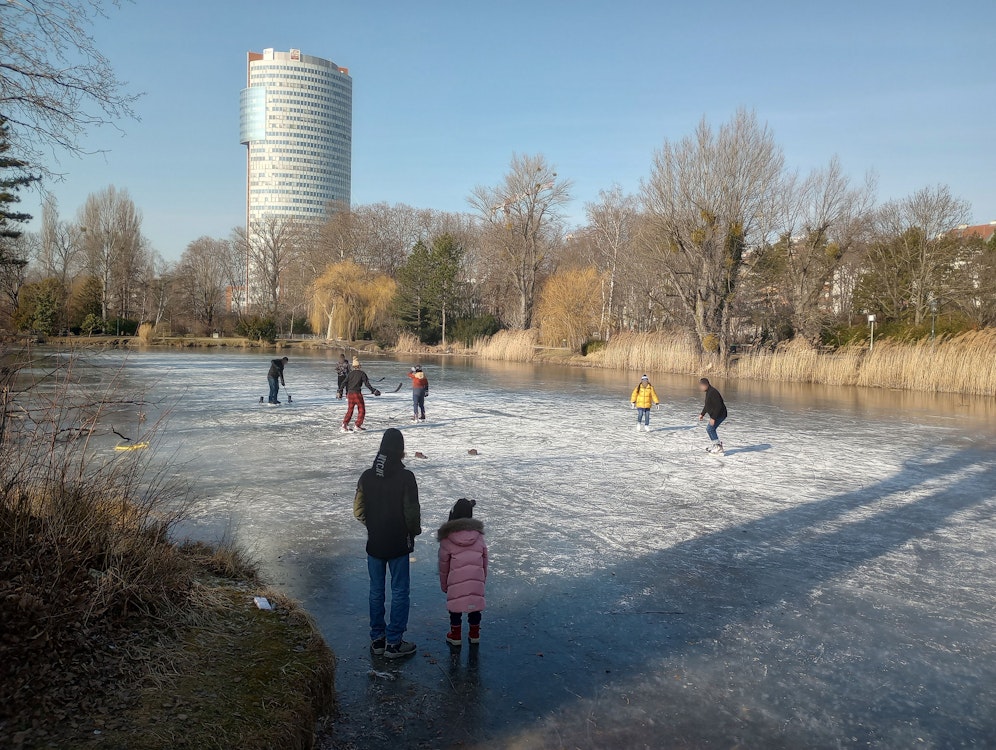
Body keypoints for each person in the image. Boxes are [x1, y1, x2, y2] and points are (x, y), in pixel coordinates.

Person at [354, 428, 422, 659]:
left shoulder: (366, 476)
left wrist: (373, 526)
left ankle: (378, 640)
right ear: (401, 450)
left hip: (375, 543)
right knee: (400, 591)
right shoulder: (406, 477)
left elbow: (358, 511)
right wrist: (413, 532)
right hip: (398, 544)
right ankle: (394, 643)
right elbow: (412, 514)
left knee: (376, 591)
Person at [438, 498, 487, 647]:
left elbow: (443, 565)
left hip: (456, 581)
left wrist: (445, 585)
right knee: (474, 606)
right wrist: (482, 579)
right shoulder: (479, 537)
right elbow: (485, 559)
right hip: (476, 579)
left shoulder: (447, 539)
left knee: (456, 607)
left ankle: (456, 635)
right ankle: (474, 634)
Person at [341, 357, 381, 433]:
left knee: (350, 410)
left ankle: (344, 424)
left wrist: (339, 391)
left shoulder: (350, 374)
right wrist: (374, 391)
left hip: (350, 394)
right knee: (361, 410)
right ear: (359, 366)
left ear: (353, 366)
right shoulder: (362, 373)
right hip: (357, 394)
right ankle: (357, 425)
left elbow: (344, 383)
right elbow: (367, 384)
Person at [698, 377, 728, 454]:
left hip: (720, 414)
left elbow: (718, 406)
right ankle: (716, 445)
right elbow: (707, 405)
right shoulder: (709, 392)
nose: (700, 388)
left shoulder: (713, 392)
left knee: (710, 429)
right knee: (710, 429)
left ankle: (718, 447)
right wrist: (702, 414)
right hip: (717, 415)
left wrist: (713, 418)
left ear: (706, 385)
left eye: (701, 386)